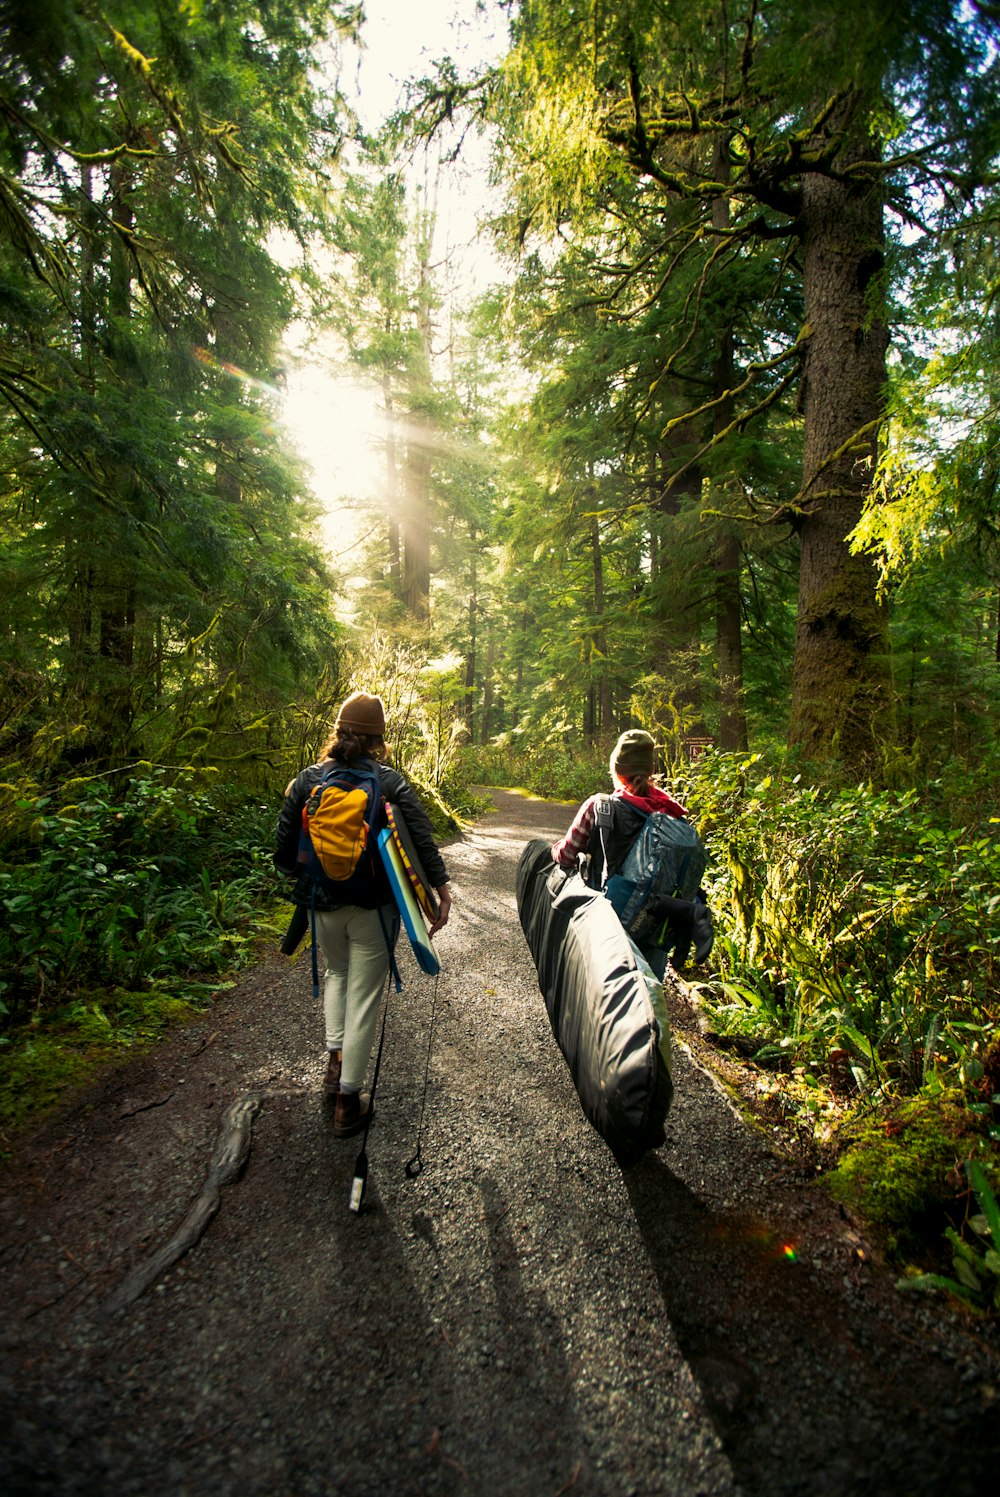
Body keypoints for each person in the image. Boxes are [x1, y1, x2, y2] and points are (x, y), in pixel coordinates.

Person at [274, 691, 452, 1137]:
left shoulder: (306, 780)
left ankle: (335, 1068)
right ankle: (348, 1102)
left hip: (320, 904)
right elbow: (421, 839)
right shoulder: (389, 782)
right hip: (375, 909)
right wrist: (440, 891)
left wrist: (316, 864)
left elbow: (281, 855)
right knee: (366, 996)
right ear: (380, 741)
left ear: (337, 732)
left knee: (337, 974)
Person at [551, 728, 709, 974]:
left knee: (608, 992)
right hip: (656, 928)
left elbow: (567, 855)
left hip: (612, 921)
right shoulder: (674, 813)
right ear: (650, 771)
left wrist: (555, 848)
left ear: (617, 771)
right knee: (648, 995)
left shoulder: (600, 807)